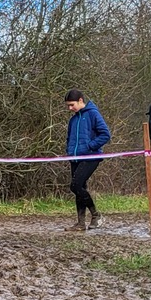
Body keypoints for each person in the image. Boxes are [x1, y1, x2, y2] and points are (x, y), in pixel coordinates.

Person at [63, 89, 111, 231]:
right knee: (80, 188)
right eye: (68, 105)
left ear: (80, 101)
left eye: (72, 105)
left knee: (75, 186)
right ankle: (80, 223)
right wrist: (69, 151)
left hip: (90, 156)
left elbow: (105, 134)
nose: (70, 108)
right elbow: (69, 138)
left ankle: (96, 215)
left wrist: (90, 146)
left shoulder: (93, 114)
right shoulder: (73, 120)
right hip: (75, 158)